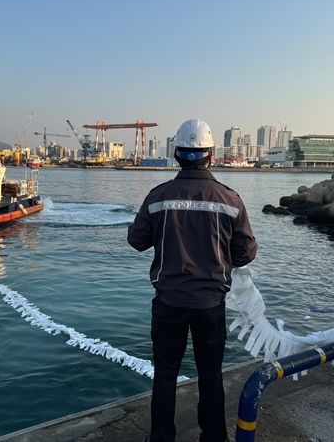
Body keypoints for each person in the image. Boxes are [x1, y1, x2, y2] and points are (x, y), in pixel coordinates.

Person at [127, 119, 258, 442]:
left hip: (169, 301)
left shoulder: (159, 196)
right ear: (210, 155)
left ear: (176, 155)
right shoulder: (230, 199)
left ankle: (161, 438)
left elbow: (137, 240)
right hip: (211, 303)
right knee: (210, 375)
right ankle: (214, 437)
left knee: (166, 375)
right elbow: (246, 252)